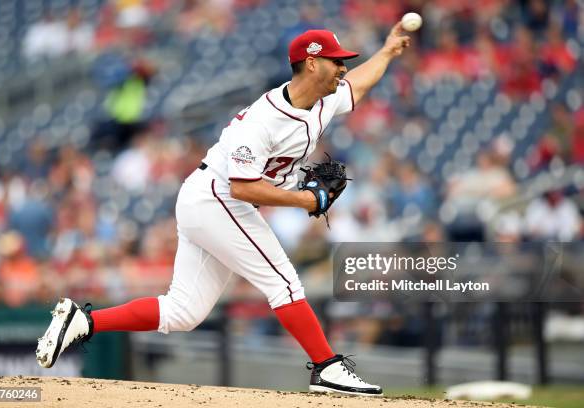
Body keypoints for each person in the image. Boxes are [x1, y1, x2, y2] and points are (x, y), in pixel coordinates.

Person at [36, 23, 411, 396]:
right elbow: (242, 186)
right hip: (216, 198)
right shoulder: (265, 119)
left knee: (184, 312)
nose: (343, 68)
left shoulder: (322, 100)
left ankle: (82, 320)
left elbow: (358, 85)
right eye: (335, 61)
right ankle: (328, 369)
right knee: (283, 283)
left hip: (211, 201)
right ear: (312, 64)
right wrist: (306, 200)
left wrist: (389, 51)